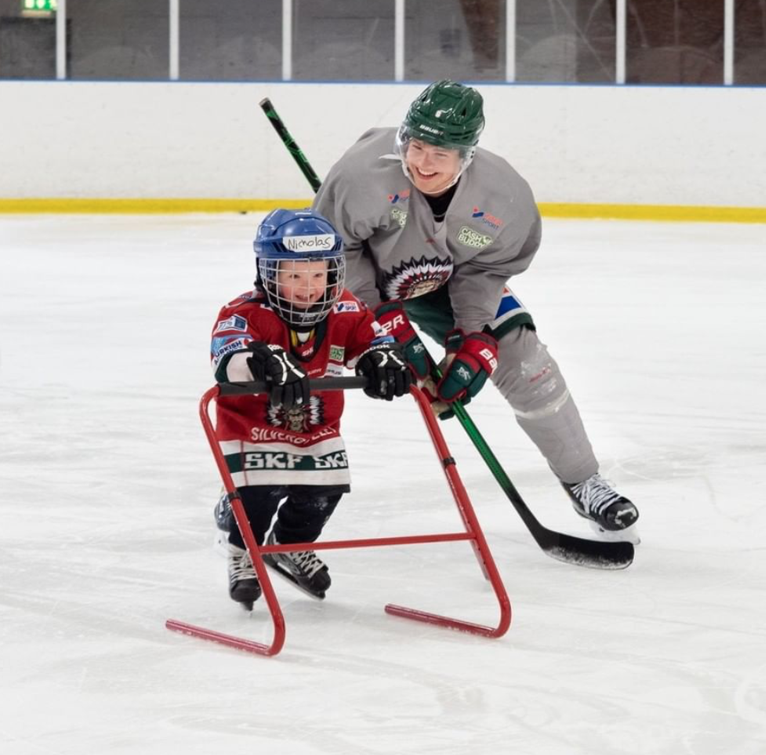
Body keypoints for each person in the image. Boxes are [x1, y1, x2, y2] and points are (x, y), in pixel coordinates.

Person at [313, 80, 640, 545]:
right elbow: (334, 255)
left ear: (466, 156)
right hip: (361, 277)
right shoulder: (360, 176)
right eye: (417, 146)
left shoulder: (503, 196)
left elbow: (487, 271)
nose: (421, 163)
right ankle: (283, 512)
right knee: (305, 363)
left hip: (448, 279)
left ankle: (583, 481)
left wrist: (471, 336)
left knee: (526, 363)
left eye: (439, 155)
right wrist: (380, 319)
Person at [211, 208, 411, 609]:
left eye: (319, 275)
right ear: (269, 274)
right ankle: (241, 551)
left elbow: (368, 339)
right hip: (252, 430)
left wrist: (381, 355)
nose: (309, 287)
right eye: (294, 276)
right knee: (259, 496)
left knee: (325, 491)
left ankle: (289, 544)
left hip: (316, 430)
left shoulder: (345, 308)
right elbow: (226, 354)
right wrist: (258, 359)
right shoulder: (244, 313)